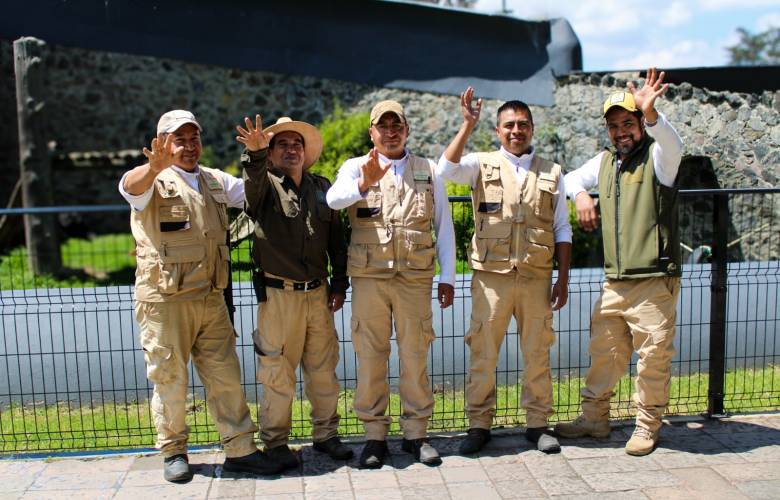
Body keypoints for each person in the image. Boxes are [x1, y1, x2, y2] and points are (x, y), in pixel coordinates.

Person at [119, 110, 282, 482]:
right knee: (170, 378)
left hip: (211, 298)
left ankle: (241, 450)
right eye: (180, 139)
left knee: (225, 375)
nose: (189, 146)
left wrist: (259, 156)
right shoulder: (150, 180)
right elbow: (130, 188)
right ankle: (174, 451)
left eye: (194, 138)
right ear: (162, 143)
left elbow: (256, 193)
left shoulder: (213, 180)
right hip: (165, 301)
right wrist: (153, 167)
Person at [554, 68, 684, 456]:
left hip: (653, 280)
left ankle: (647, 425)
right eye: (613, 126)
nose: (620, 132)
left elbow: (674, 144)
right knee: (605, 353)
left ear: (641, 123)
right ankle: (595, 419)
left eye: (628, 122)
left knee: (653, 359)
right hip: (615, 281)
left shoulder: (660, 160)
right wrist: (579, 196)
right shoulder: (606, 162)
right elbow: (566, 179)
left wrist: (653, 114)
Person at [437, 88, 572, 454]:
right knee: (483, 351)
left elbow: (562, 228)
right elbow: (445, 169)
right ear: (498, 130)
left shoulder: (552, 172)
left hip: (536, 277)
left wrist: (563, 277)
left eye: (523, 125)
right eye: (509, 125)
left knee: (537, 351)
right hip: (491, 279)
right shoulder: (480, 163)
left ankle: (538, 424)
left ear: (532, 129)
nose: (516, 131)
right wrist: (467, 125)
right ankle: (479, 425)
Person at [326, 100, 456, 468]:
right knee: (371, 357)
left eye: (396, 125)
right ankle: (374, 436)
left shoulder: (428, 169)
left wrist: (447, 277)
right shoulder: (356, 166)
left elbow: (443, 227)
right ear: (372, 132)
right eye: (382, 126)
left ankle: (416, 434)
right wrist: (363, 182)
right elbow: (333, 200)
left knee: (415, 354)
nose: (390, 132)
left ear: (406, 129)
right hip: (369, 279)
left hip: (414, 279)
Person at [238, 114, 353, 471]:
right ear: (271, 154)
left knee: (323, 369)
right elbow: (252, 181)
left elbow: (338, 241)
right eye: (282, 144)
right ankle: (275, 443)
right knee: (277, 373)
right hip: (279, 297)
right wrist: (254, 156)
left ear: (305, 152)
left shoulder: (321, 186)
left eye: (297, 144)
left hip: (318, 295)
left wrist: (339, 283)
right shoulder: (262, 188)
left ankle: (326, 435)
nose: (291, 149)